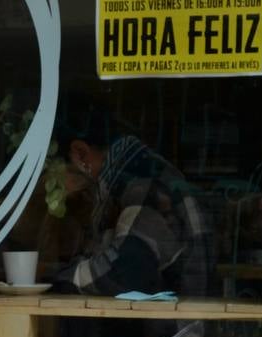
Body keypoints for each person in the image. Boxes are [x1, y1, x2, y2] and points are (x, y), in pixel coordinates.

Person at [49, 98, 216, 300]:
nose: (53, 186)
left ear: (80, 155)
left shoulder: (144, 185)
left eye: (55, 174)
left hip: (180, 329)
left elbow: (124, 271)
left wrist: (56, 280)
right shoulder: (138, 175)